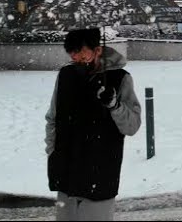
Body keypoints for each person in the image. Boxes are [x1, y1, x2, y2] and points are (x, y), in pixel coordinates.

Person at [45, 28, 141, 221]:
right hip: (66, 169)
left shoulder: (120, 78)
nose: (75, 57)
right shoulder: (66, 75)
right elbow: (52, 118)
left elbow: (132, 126)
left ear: (97, 50)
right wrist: (52, 150)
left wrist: (114, 105)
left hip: (100, 170)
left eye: (80, 52)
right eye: (71, 52)